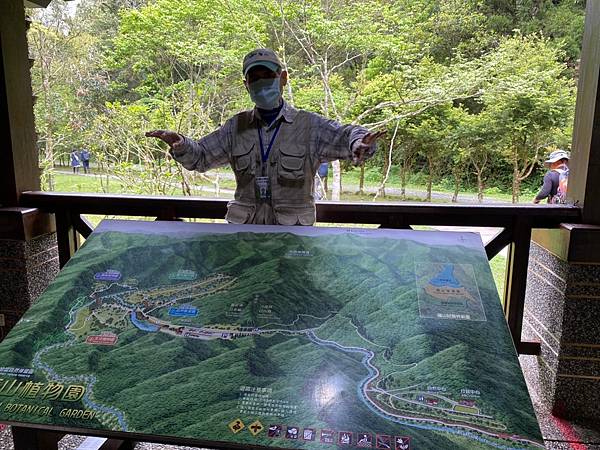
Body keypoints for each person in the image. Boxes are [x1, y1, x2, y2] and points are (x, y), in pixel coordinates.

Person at [146, 48, 384, 225]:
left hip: (293, 237)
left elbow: (347, 135)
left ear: (283, 79)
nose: (261, 83)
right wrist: (181, 144)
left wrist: (360, 142)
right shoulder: (235, 127)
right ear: (246, 84)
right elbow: (201, 157)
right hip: (245, 236)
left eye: (267, 75)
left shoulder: (309, 126)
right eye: (255, 78)